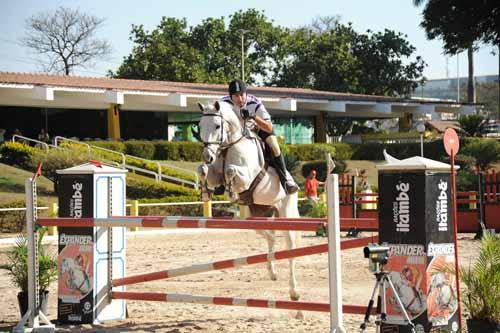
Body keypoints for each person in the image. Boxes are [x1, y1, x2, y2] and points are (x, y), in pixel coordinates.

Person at [221, 79, 299, 194]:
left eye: (242, 95)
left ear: (246, 93)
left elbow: (269, 127)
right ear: (230, 96)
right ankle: (219, 181)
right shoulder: (223, 103)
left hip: (257, 129)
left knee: (274, 144)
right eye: (236, 96)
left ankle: (285, 181)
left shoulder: (255, 102)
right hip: (235, 133)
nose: (240, 99)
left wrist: (253, 117)